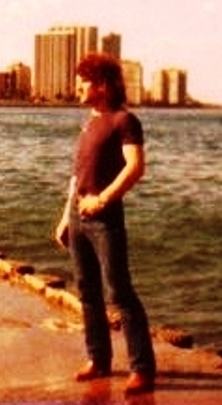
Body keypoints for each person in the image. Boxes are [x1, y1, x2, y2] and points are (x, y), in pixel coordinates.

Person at [55, 52, 156, 396]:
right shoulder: (89, 122)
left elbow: (135, 167)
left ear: (102, 85)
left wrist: (102, 200)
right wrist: (65, 217)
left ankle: (142, 368)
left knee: (120, 293)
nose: (78, 88)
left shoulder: (125, 120)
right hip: (78, 217)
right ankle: (98, 359)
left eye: (83, 82)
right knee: (87, 291)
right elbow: (77, 176)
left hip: (105, 218)